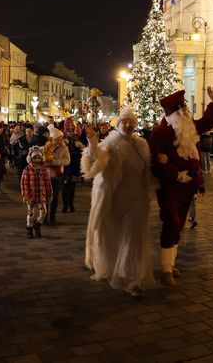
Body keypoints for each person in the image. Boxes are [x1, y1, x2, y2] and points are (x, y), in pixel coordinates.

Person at [149, 88, 213, 286]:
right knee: (171, 221)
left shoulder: (190, 127)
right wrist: (175, 173)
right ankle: (165, 270)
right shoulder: (161, 132)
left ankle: (169, 264)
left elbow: (207, 122)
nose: (185, 113)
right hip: (170, 186)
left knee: (179, 224)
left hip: (190, 184)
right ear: (172, 114)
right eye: (181, 110)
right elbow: (156, 161)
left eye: (186, 109)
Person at [82, 107, 155, 297]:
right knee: (113, 236)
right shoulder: (111, 144)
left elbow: (148, 171)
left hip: (137, 199)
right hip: (116, 199)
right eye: (125, 122)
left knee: (133, 238)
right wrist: (92, 141)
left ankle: (132, 278)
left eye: (132, 122)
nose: (129, 125)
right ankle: (115, 267)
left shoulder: (141, 145)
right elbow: (95, 158)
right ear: (119, 123)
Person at [20, 146, 52, 239]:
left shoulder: (43, 169)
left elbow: (47, 183)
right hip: (31, 196)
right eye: (35, 158)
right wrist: (25, 195)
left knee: (44, 212)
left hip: (41, 195)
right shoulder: (27, 169)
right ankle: (29, 228)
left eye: (38, 158)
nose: (37, 160)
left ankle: (37, 224)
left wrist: (49, 194)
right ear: (31, 158)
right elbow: (24, 183)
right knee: (30, 213)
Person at [42, 125, 70, 226]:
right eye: (58, 138)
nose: (60, 140)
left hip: (57, 176)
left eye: (61, 138)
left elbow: (67, 161)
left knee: (54, 198)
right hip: (45, 176)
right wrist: (44, 162)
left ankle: (52, 217)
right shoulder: (46, 146)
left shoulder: (64, 148)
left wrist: (54, 162)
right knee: (45, 198)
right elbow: (37, 158)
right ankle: (44, 216)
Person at [62, 118, 83, 213]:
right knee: (64, 186)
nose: (70, 131)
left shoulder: (77, 138)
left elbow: (83, 152)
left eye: (71, 129)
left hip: (74, 164)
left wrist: (80, 147)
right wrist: (62, 145)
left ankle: (71, 203)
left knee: (72, 187)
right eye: (68, 129)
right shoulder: (61, 138)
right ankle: (65, 205)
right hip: (65, 165)